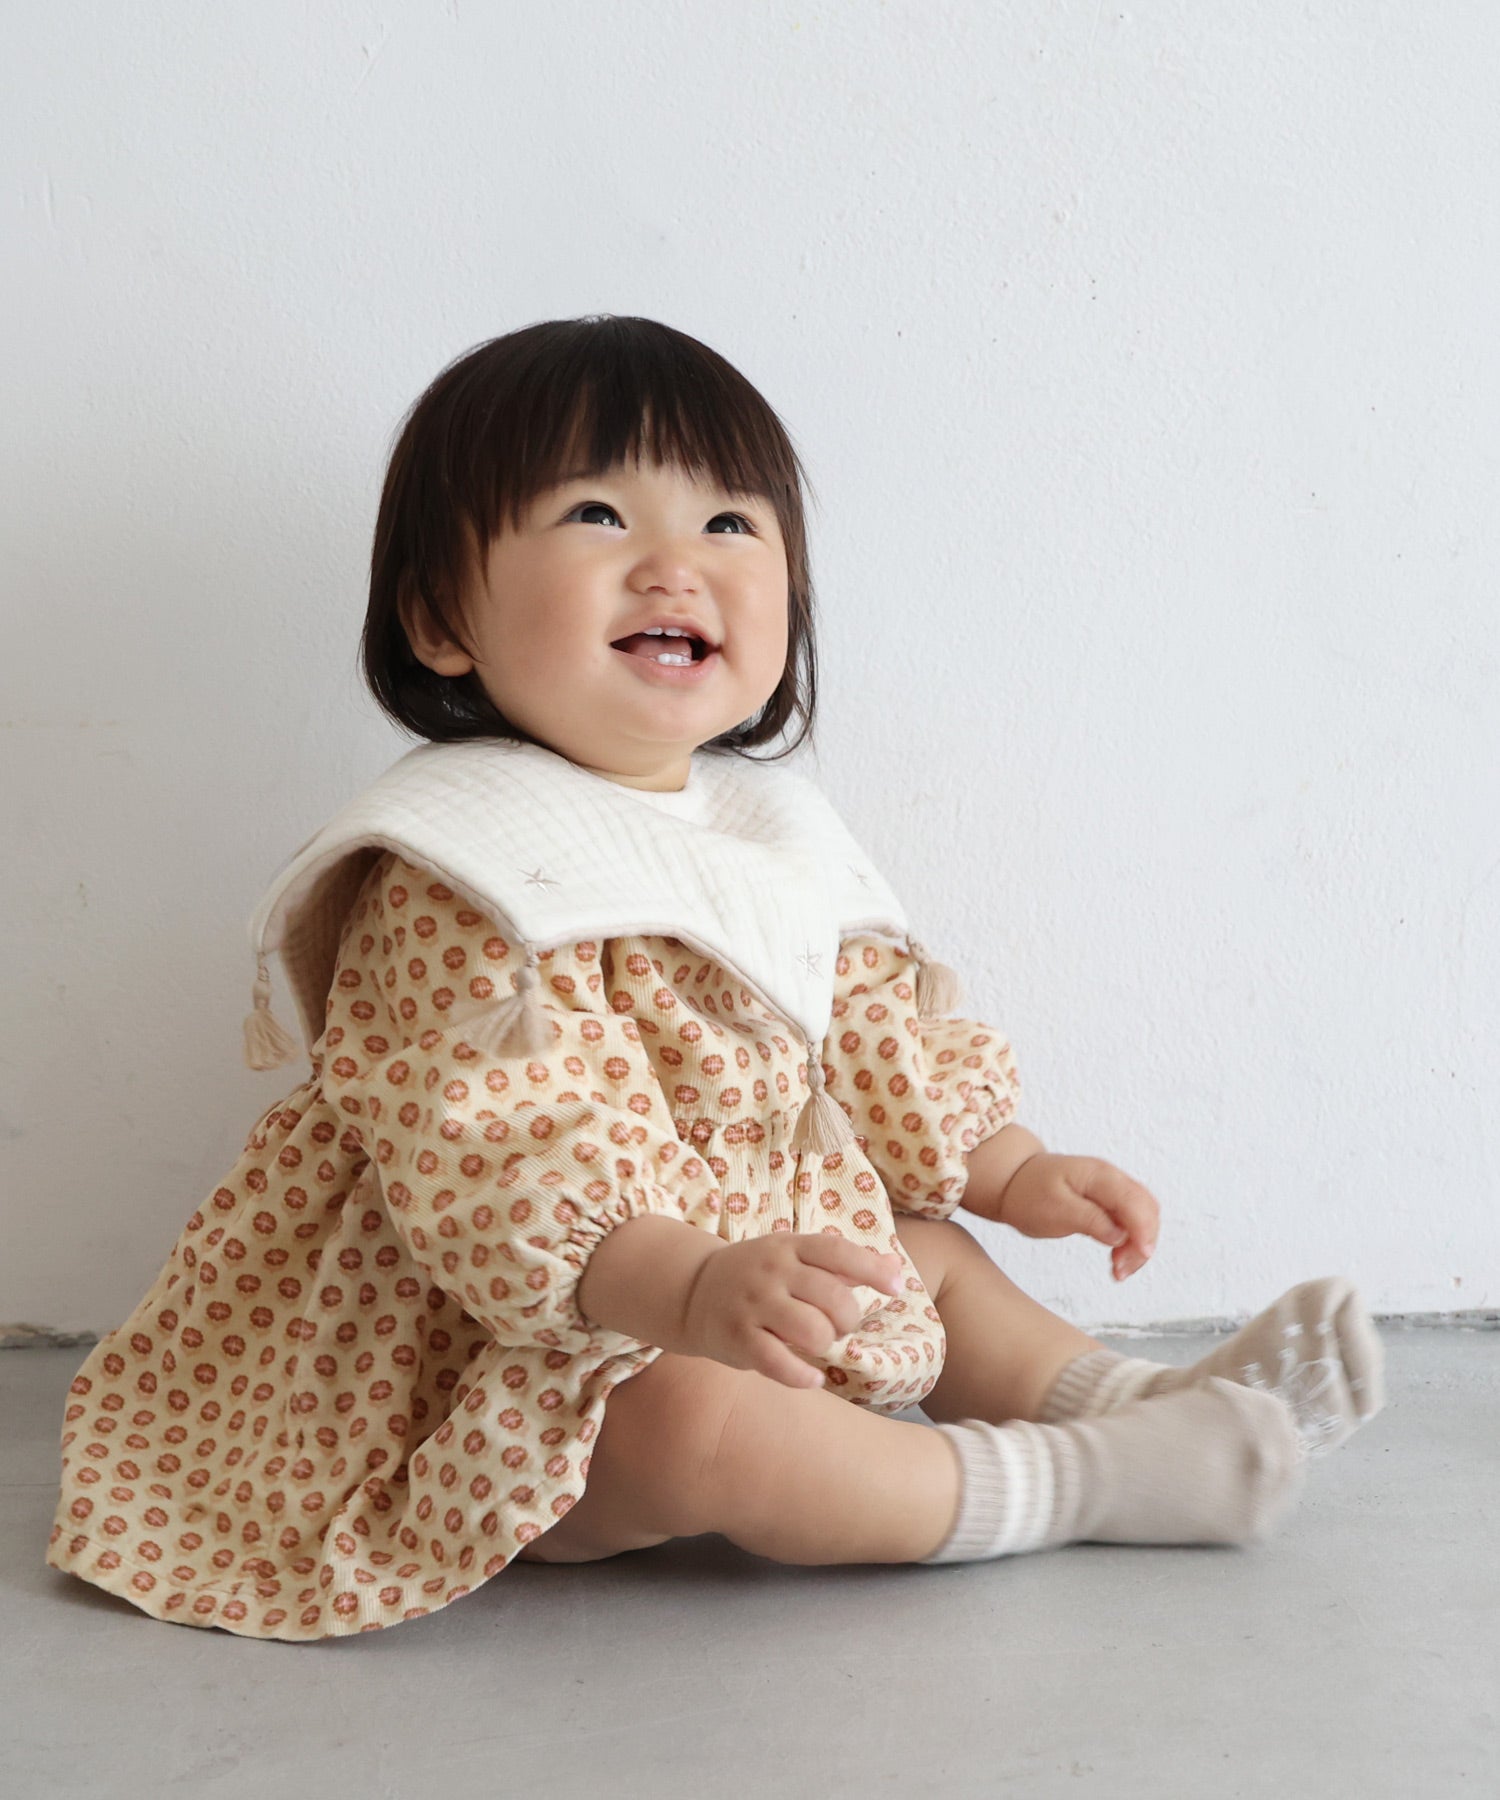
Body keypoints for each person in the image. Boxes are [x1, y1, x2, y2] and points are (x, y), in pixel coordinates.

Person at [45, 315, 1384, 1643]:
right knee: (694, 1422)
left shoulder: (765, 830)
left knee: (927, 1254)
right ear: (444, 618)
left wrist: (1012, 1167)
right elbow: (500, 1151)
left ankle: (1142, 1404)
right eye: (597, 514)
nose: (673, 564)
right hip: (527, 1348)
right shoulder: (465, 870)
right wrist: (684, 1290)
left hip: (752, 1271)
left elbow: (868, 1039)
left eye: (730, 524)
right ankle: (1076, 1483)